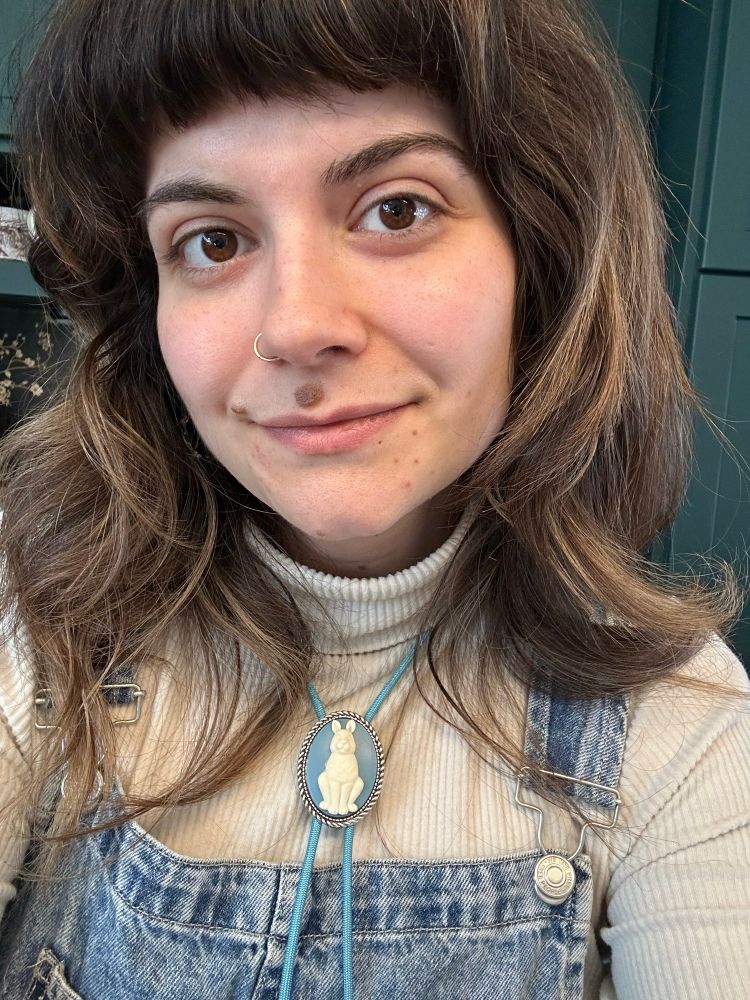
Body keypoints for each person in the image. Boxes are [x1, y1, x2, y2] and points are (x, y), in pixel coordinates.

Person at [0, 0, 748, 997]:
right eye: (214, 241)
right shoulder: (36, 614)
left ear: (544, 254)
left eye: (397, 208)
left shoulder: (677, 718)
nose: (298, 326)